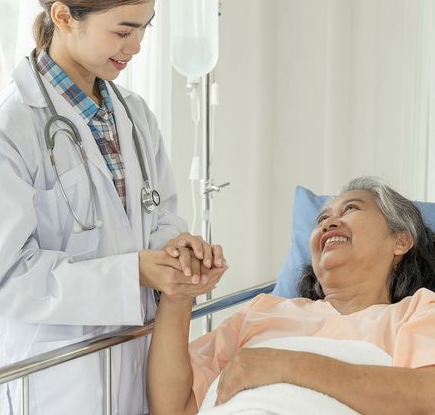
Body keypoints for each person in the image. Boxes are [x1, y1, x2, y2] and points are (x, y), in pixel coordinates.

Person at [0, 0, 226, 414]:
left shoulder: (134, 115)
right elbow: (5, 277)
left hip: (135, 361)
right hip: (55, 381)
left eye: (145, 28)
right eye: (122, 30)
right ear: (64, 16)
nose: (135, 46)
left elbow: (158, 217)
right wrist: (132, 273)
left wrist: (177, 251)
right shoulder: (11, 128)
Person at [148, 176, 435, 414]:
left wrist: (285, 365)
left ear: (401, 240)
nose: (328, 223)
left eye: (351, 209)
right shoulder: (262, 312)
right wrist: (177, 296)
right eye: (322, 218)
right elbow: (172, 408)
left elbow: (426, 396)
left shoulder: (417, 312)